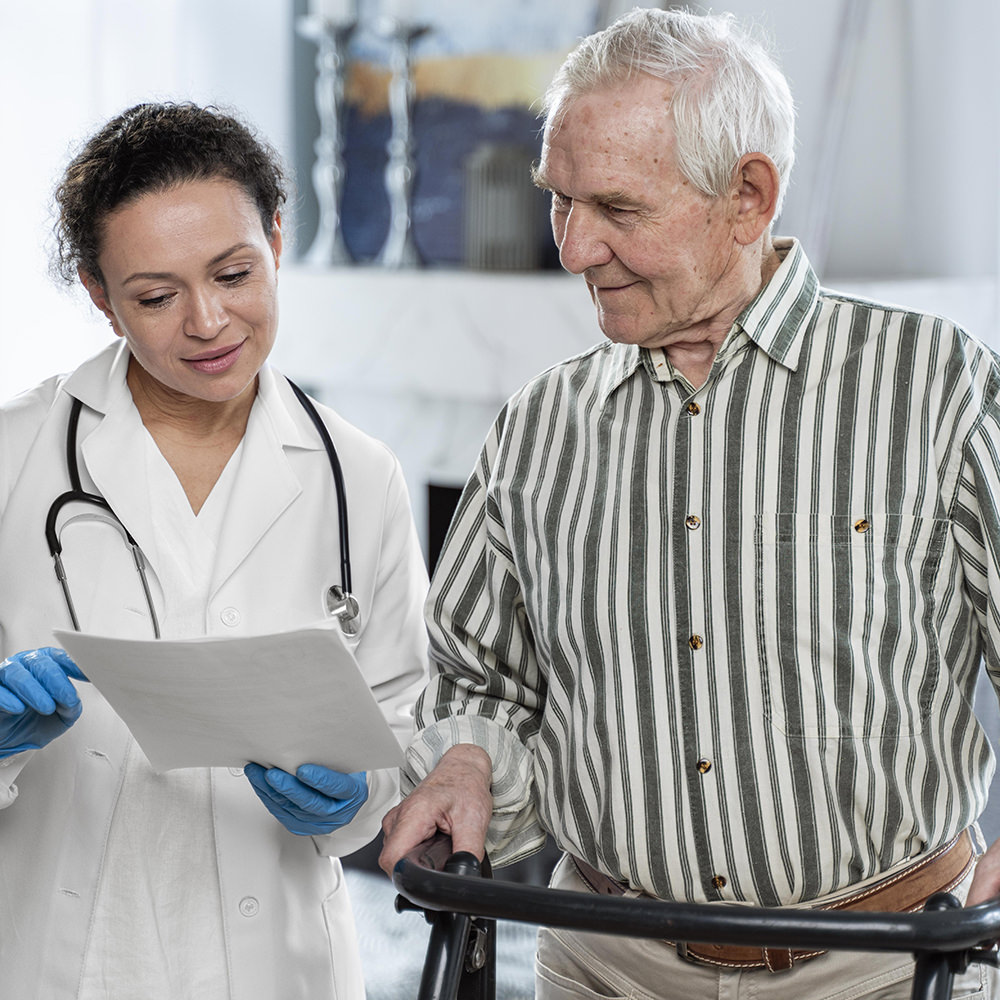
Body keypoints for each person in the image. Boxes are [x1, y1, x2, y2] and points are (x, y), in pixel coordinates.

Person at [379, 7, 1000, 998]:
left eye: (617, 209)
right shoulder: (540, 425)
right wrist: (464, 762)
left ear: (747, 196)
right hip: (601, 960)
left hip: (884, 967)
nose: (574, 249)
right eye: (557, 202)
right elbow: (482, 679)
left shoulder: (933, 387)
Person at [0, 102, 429, 1000]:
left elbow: (399, 729)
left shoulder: (361, 477)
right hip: (59, 953)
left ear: (277, 236)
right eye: (156, 296)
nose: (208, 322)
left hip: (272, 961)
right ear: (98, 296)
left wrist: (357, 799)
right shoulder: (16, 454)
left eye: (234, 272)